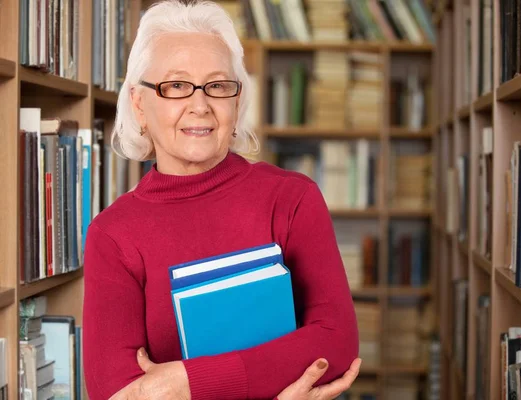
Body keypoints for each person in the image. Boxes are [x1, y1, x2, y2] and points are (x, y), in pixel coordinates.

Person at [82, 0, 361, 399]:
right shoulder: (112, 235)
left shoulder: (292, 197)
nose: (200, 105)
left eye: (217, 86)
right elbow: (119, 394)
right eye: (176, 86)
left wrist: (186, 382)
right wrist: (269, 377)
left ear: (236, 100)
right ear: (140, 104)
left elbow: (336, 345)